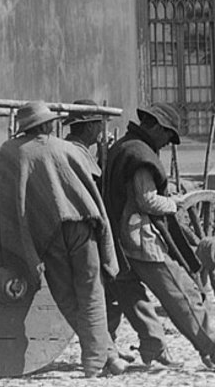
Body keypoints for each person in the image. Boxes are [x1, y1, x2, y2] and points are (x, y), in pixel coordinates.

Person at [103, 103, 215, 373]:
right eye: (167, 135)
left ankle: (154, 346)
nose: (166, 142)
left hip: (120, 237)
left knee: (131, 295)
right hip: (142, 239)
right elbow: (147, 200)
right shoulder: (140, 154)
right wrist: (174, 202)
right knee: (181, 292)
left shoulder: (123, 147)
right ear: (156, 127)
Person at [0, 101, 126, 378]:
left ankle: (98, 358)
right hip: (82, 226)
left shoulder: (12, 152)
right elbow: (90, 182)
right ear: (48, 124)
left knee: (65, 296)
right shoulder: (66, 149)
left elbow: (1, 191)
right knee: (91, 293)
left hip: (47, 233)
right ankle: (104, 357)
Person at [65, 99, 178, 369]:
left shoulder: (85, 150)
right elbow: (143, 201)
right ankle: (111, 352)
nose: (100, 133)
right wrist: (174, 204)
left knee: (119, 292)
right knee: (110, 292)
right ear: (91, 126)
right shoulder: (76, 153)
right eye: (97, 126)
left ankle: (123, 348)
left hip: (108, 232)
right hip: (92, 233)